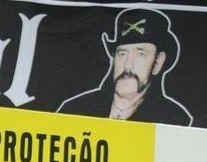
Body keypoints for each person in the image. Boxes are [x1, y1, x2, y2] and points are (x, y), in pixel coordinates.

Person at [57, 8, 192, 126]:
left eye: (140, 54)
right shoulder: (74, 110)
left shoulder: (174, 119)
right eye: (122, 54)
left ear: (158, 62)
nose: (127, 65)